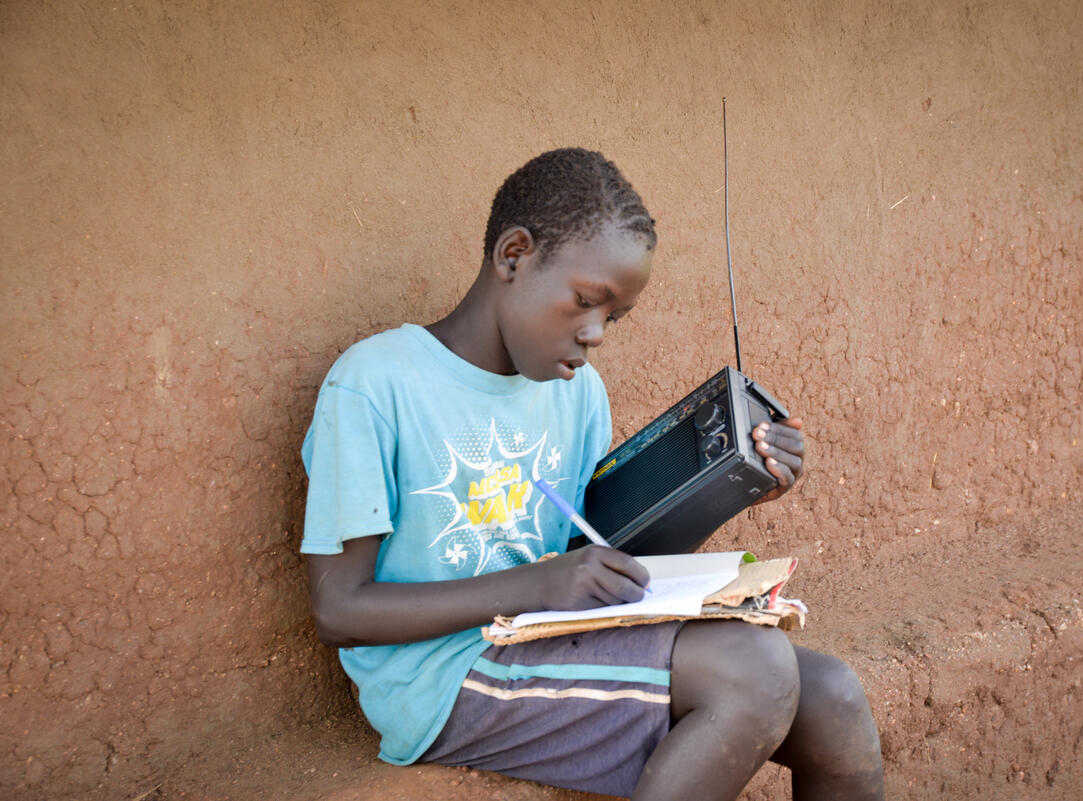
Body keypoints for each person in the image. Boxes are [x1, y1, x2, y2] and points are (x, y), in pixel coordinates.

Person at [300, 148, 884, 801]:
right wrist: (540, 583)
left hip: (552, 637)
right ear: (513, 255)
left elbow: (598, 565)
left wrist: (737, 481)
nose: (597, 333)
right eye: (585, 301)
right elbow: (339, 608)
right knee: (756, 667)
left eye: (614, 316)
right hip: (442, 673)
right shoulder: (377, 383)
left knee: (833, 697)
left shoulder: (579, 395)